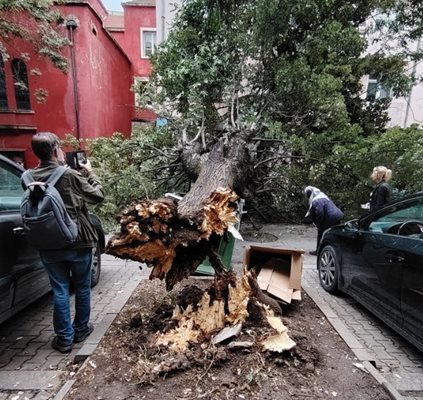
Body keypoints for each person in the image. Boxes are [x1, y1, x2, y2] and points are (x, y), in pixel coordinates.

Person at [25, 132, 104, 353]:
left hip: (48, 242)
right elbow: (98, 195)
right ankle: (80, 330)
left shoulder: (28, 177)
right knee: (81, 287)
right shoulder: (69, 175)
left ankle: (64, 339)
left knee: (59, 289)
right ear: (55, 150)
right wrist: (90, 173)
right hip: (78, 240)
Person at [304, 186, 344, 255]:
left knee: (320, 233)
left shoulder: (316, 200)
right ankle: (339, 250)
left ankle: (318, 251)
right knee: (336, 232)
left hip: (331, 218)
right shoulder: (322, 196)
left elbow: (320, 213)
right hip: (338, 216)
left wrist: (319, 225)